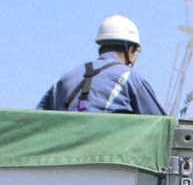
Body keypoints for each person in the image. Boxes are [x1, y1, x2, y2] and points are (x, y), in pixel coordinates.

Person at [37, 15, 166, 115]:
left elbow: (37, 120)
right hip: (110, 149)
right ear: (129, 51)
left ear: (101, 48)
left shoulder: (64, 79)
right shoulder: (130, 78)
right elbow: (161, 125)